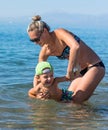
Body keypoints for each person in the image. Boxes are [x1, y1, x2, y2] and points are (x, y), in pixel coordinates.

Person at [27, 15, 105, 103]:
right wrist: (38, 91)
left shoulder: (59, 33)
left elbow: (75, 47)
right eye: (32, 41)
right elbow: (39, 74)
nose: (35, 43)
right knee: (67, 100)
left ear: (45, 31)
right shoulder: (44, 52)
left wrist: (69, 70)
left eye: (37, 39)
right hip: (78, 74)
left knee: (77, 99)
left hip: (94, 66)